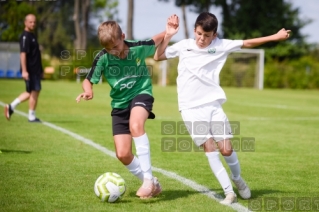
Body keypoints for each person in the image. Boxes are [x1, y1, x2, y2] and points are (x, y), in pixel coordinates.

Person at [154, 12, 291, 204]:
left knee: (226, 149)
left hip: (213, 106)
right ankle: (229, 192)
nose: (202, 39)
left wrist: (274, 37)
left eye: (207, 36)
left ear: (214, 35)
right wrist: (168, 34)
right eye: (199, 34)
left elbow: (248, 43)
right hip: (190, 109)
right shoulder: (184, 45)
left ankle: (238, 180)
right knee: (210, 149)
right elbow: (158, 56)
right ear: (195, 30)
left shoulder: (221, 45)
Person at [75, 15, 179, 199]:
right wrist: (88, 91)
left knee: (136, 126)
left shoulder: (137, 47)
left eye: (115, 47)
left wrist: (169, 32)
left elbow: (156, 39)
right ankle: (153, 183)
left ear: (123, 36)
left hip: (141, 94)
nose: (113, 52)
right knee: (123, 154)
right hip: (119, 104)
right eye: (108, 49)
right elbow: (88, 80)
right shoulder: (103, 57)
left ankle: (147, 180)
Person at [4, 14, 43, 122]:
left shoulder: (32, 35)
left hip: (36, 70)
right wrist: (25, 70)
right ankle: (31, 116)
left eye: (34, 22)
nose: (33, 24)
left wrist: (41, 70)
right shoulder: (25, 36)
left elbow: (36, 55)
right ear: (25, 23)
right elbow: (23, 54)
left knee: (31, 92)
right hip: (30, 70)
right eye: (30, 22)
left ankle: (11, 106)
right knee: (34, 91)